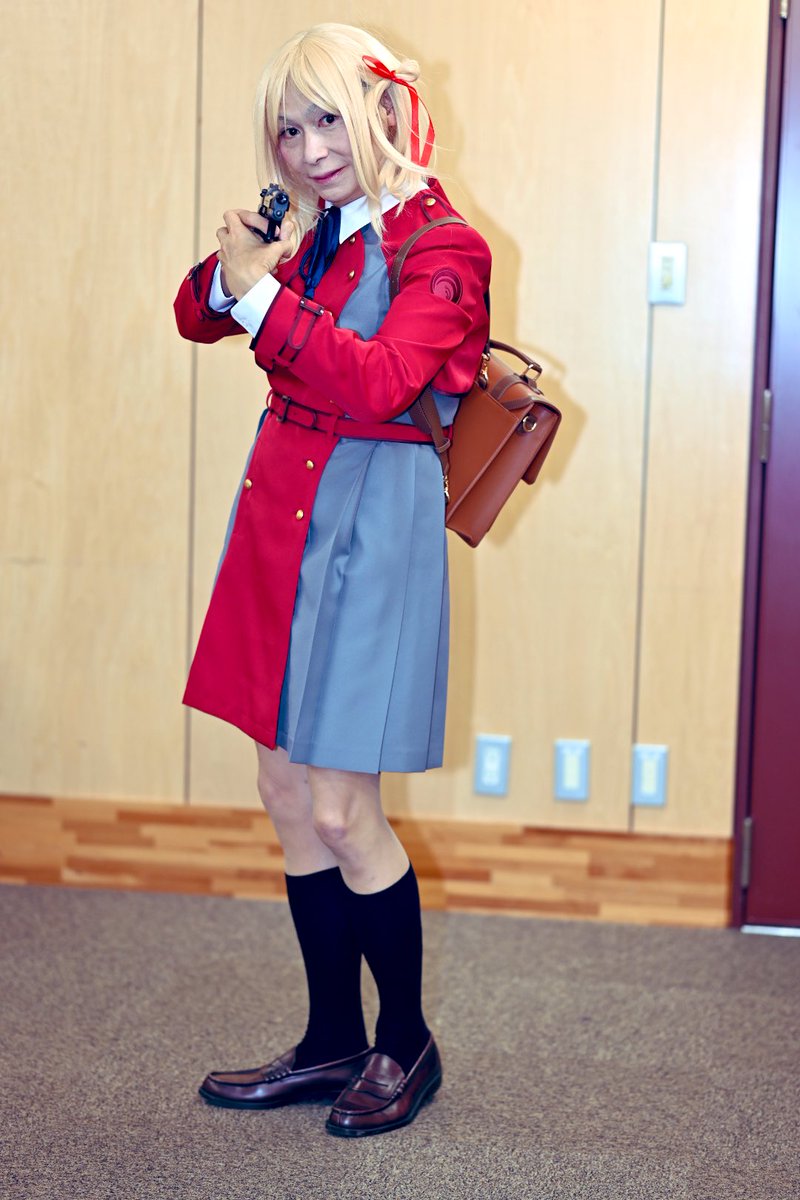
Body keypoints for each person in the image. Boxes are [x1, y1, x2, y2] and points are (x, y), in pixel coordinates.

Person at [173, 22, 491, 1137]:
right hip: (280, 515)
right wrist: (243, 263)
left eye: (328, 122)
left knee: (344, 808)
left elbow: (380, 380)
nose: (310, 151)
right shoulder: (310, 233)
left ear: (381, 111)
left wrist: (261, 294)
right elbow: (194, 315)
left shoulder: (445, 247)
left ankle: (405, 1044)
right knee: (283, 791)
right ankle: (329, 1042)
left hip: (370, 528)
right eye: (288, 131)